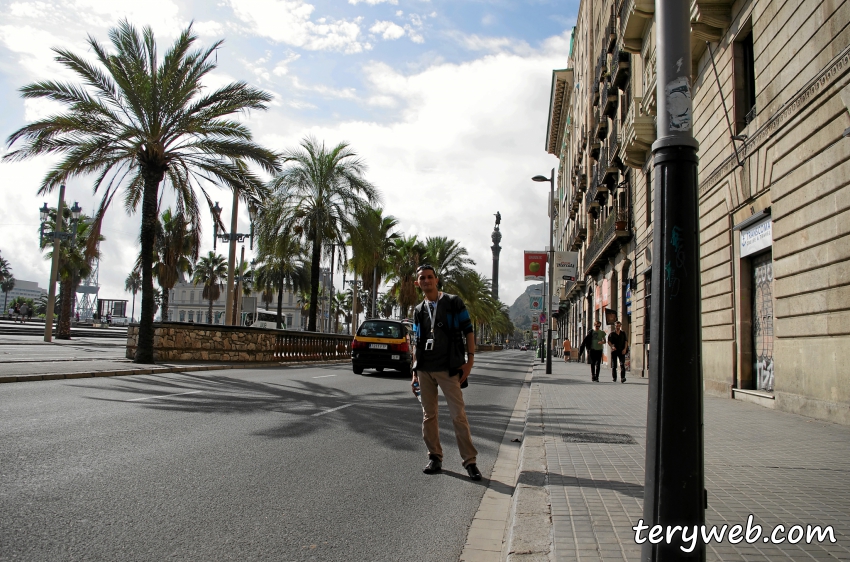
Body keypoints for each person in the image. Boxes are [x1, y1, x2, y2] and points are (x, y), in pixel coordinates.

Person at [410, 264, 481, 481]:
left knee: (457, 415)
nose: (426, 281)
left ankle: (470, 462)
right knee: (428, 416)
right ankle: (435, 457)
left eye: (430, 277)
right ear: (417, 283)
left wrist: (469, 361)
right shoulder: (418, 310)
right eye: (422, 278)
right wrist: (414, 371)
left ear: (436, 280)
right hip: (424, 369)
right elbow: (416, 341)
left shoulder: (453, 302)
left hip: (449, 368)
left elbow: (468, 331)